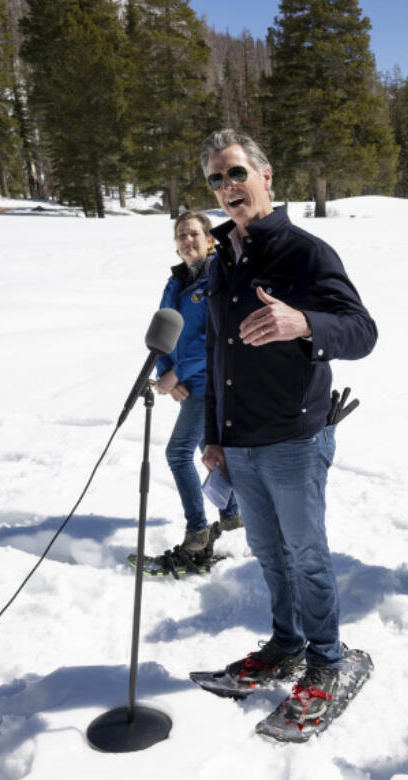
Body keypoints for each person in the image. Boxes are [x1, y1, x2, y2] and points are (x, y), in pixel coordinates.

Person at [198, 128, 377, 720]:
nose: (227, 188)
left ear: (266, 176)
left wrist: (304, 323)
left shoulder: (305, 252)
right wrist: (213, 434)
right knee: (268, 552)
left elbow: (361, 331)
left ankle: (328, 658)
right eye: (216, 180)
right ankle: (286, 643)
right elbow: (217, 350)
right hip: (241, 440)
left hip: (294, 438)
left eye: (236, 174)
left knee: (305, 553)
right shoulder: (223, 256)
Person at [146, 212, 240, 575]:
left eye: (195, 234)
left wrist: (177, 374)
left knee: (178, 452)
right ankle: (232, 516)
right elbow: (163, 331)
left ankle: (198, 531)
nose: (188, 240)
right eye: (182, 235)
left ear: (210, 240)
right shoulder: (175, 281)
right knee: (208, 450)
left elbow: (214, 338)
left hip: (210, 383)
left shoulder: (217, 276)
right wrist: (164, 374)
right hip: (185, 381)